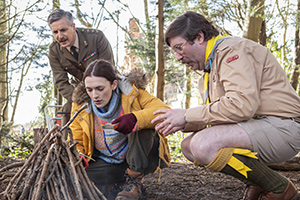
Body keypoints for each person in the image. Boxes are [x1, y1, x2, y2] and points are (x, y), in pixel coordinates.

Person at [152, 11, 300, 200]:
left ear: (199, 37)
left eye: (179, 48)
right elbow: (216, 116)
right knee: (188, 146)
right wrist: (178, 122)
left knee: (202, 144)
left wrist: (187, 115)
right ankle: (259, 182)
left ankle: (281, 189)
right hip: (258, 126)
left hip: (284, 126)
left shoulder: (231, 51)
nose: (178, 57)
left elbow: (241, 106)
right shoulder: (208, 73)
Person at [70, 59, 170, 200]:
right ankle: (116, 182)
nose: (94, 96)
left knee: (143, 126)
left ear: (113, 84)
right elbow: (77, 138)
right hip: (107, 162)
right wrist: (80, 156)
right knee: (81, 173)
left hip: (140, 157)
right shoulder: (81, 105)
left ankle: (133, 181)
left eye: (100, 89)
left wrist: (134, 118)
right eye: (89, 90)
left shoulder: (133, 93)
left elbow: (164, 111)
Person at [47, 8, 115, 134]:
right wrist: (80, 98)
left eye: (63, 30)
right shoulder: (54, 51)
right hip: (81, 90)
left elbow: (108, 69)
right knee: (68, 109)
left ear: (73, 27)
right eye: (55, 32)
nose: (60, 36)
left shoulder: (96, 38)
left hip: (105, 86)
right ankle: (71, 149)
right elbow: (61, 82)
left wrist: (97, 93)